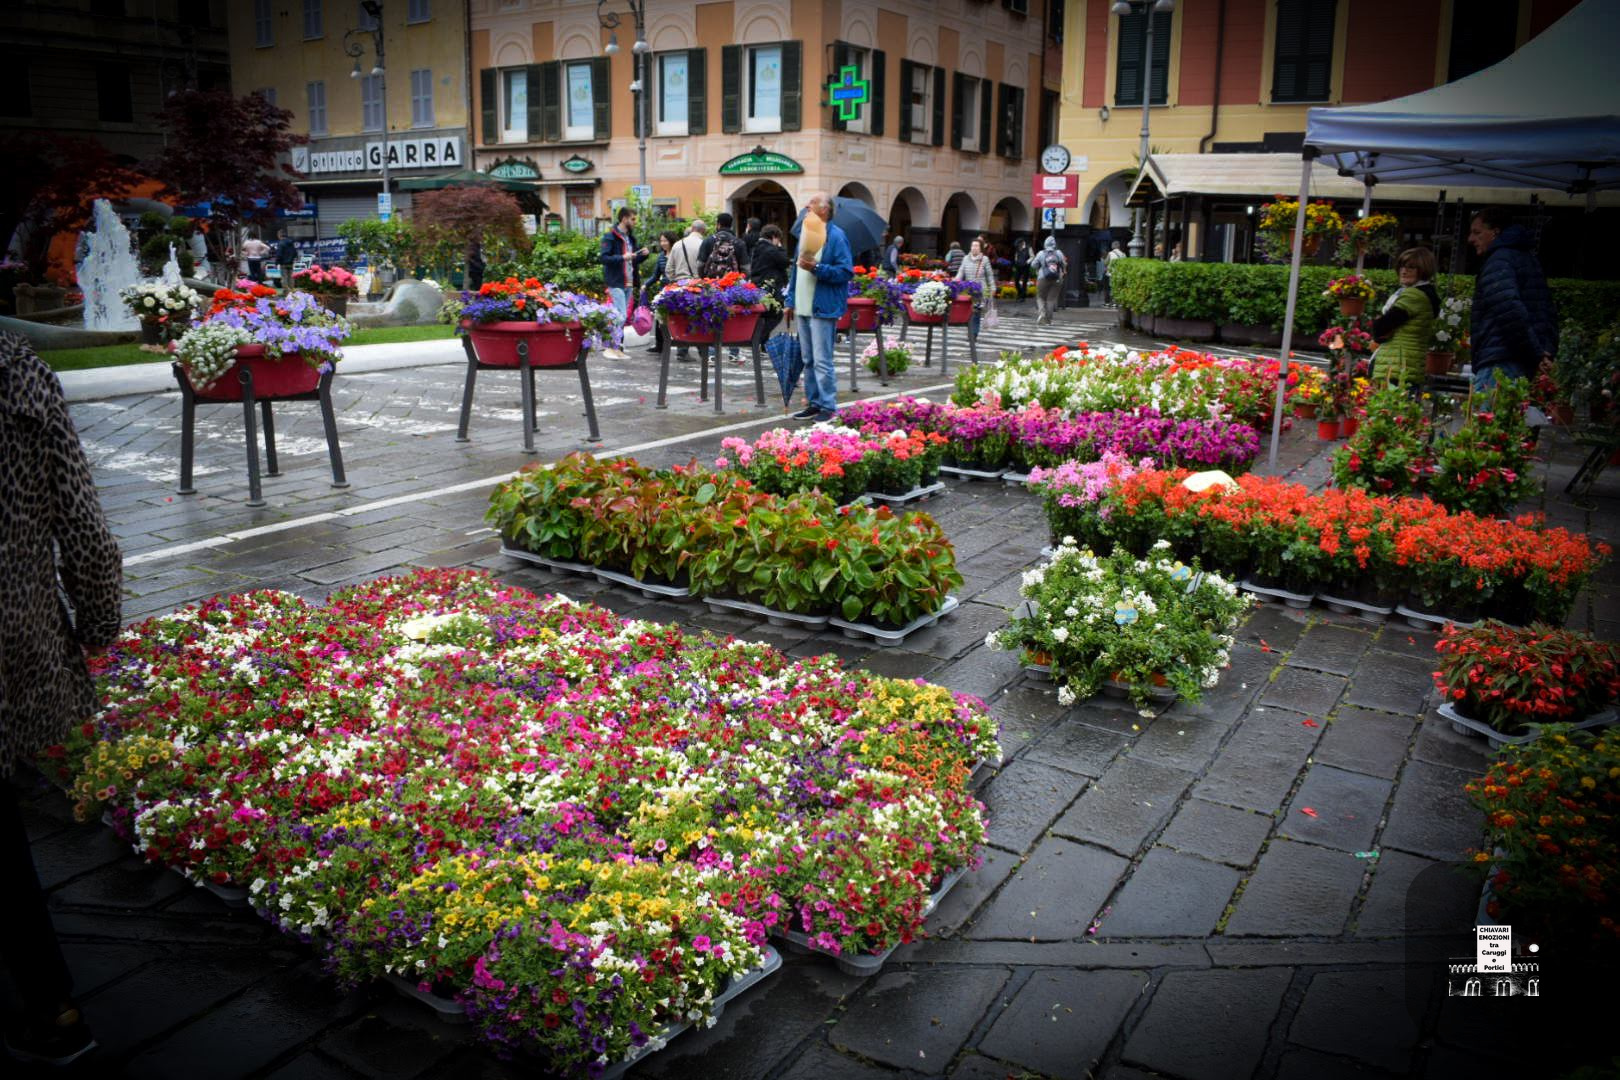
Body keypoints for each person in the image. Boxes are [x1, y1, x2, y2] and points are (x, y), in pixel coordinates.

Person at [0, 332, 123, 1068]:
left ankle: (52, 1005)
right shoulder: (17, 373)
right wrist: (98, 624)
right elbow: (82, 526)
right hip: (14, 634)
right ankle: (53, 1005)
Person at [1467, 207, 1557, 390]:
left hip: (1501, 360)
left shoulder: (1500, 260)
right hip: (1515, 358)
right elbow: (1546, 311)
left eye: (1477, 232)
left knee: (1489, 408)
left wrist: (1536, 352)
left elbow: (1508, 309)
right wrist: (1543, 351)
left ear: (1495, 232)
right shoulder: (1524, 258)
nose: (1471, 239)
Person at [785, 192, 853, 422]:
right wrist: (790, 300)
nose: (807, 205)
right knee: (808, 360)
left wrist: (817, 268)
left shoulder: (837, 236)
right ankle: (814, 403)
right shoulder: (806, 233)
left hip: (822, 307)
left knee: (822, 360)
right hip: (803, 306)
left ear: (825, 209)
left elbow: (845, 272)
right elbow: (795, 272)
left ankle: (828, 406)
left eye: (812, 203)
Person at [1370, 247, 1440, 388]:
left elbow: (1380, 328)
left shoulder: (1413, 296)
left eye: (1411, 267)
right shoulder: (1424, 294)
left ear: (1423, 270)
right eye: (1402, 266)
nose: (1404, 271)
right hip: (1407, 364)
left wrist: (1378, 323)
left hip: (1397, 365)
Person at [598, 207, 647, 360]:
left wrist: (643, 255)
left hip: (629, 282)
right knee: (620, 316)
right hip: (616, 281)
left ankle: (617, 348)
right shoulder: (610, 237)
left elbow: (633, 260)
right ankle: (609, 346)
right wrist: (622, 257)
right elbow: (604, 258)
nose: (635, 222)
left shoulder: (631, 238)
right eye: (632, 219)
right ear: (624, 219)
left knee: (621, 317)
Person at [663, 220, 708, 362]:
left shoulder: (677, 244)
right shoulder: (704, 244)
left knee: (682, 317)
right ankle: (703, 351)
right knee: (700, 317)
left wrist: (676, 281)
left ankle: (682, 351)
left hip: (680, 286)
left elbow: (668, 269)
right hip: (698, 285)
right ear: (703, 231)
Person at [749, 224, 791, 346]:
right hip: (770, 286)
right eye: (778, 239)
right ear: (774, 236)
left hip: (759, 284)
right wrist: (780, 248)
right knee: (776, 313)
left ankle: (761, 342)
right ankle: (759, 340)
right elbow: (785, 261)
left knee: (765, 314)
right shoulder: (770, 250)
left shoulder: (758, 247)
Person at [643, 230, 680, 354]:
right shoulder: (661, 256)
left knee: (677, 317)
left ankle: (682, 348)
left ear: (671, 241)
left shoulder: (678, 254)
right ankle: (659, 345)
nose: (663, 243)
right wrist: (646, 285)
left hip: (677, 289)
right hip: (663, 290)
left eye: (665, 241)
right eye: (661, 241)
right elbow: (655, 275)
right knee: (660, 316)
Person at [955, 237, 997, 339]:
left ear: (981, 248)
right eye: (973, 245)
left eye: (976, 246)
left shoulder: (985, 259)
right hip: (967, 289)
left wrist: (992, 288)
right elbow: (961, 272)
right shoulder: (965, 258)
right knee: (968, 311)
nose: (974, 248)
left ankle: (973, 333)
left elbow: (989, 275)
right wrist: (955, 281)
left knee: (976, 312)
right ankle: (970, 330)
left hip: (980, 290)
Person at [698, 211, 749, 278]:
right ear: (731, 225)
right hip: (732, 282)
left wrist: (704, 278)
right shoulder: (739, 243)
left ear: (718, 224)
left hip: (711, 281)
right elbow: (745, 268)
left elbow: (700, 264)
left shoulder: (708, 241)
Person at [1032, 236, 1067, 325]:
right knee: (1051, 299)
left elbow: (1033, 265)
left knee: (1040, 297)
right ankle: (1048, 320)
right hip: (1057, 278)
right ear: (1054, 244)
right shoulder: (1059, 253)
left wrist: (1041, 265)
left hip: (1043, 278)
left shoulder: (1041, 253)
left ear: (1045, 244)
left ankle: (1042, 314)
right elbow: (1064, 264)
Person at [1103, 241, 1125, 305]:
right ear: (1119, 246)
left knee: (1110, 287)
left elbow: (1105, 263)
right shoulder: (1123, 254)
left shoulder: (1110, 253)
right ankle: (1117, 301)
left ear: (1113, 246)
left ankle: (1111, 302)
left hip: (1111, 273)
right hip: (1120, 273)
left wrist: (1104, 260)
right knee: (1117, 287)